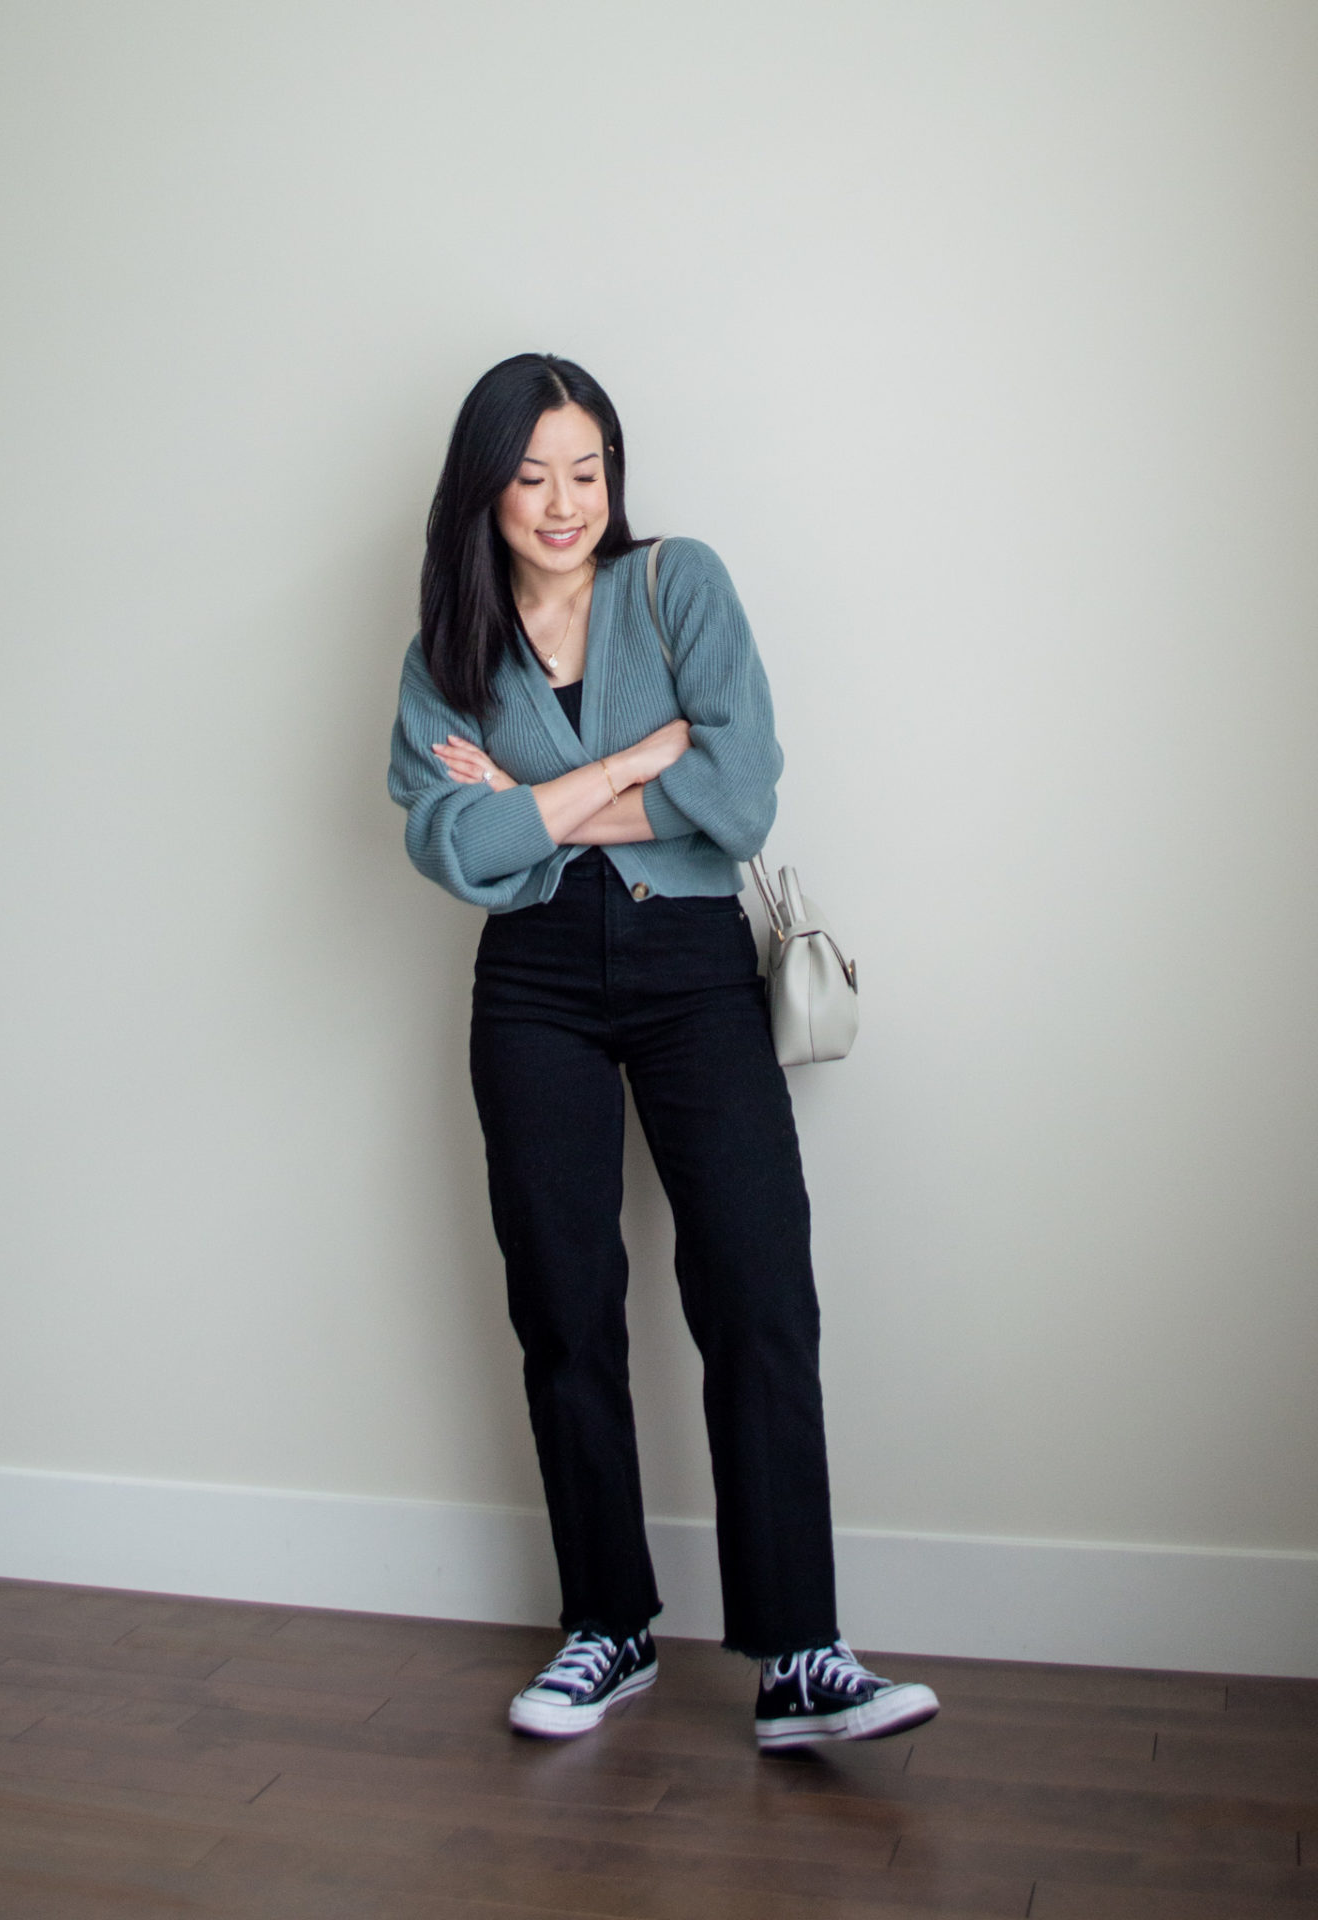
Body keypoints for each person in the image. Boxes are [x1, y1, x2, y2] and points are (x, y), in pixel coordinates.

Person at [388, 352, 939, 1750]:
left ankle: (801, 1654)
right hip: (533, 984)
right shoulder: (445, 653)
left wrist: (529, 801)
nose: (564, 501)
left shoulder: (675, 581)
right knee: (563, 1304)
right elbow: (452, 848)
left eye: (588, 470)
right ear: (485, 487)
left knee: (758, 1286)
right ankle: (609, 1626)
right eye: (532, 475)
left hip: (695, 970)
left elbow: (740, 799)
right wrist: (634, 768)